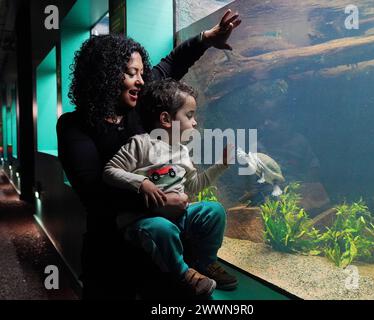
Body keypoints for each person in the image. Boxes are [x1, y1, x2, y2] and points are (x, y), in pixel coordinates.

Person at [56, 10, 241, 299]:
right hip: (112, 249)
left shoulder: (140, 106)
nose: (142, 81)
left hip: (164, 245)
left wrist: (207, 38)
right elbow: (93, 191)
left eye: (142, 73)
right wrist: (159, 201)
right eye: (132, 73)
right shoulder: (74, 126)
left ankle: (201, 264)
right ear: (104, 76)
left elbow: (171, 65)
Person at [103, 79, 237, 297]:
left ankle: (206, 263)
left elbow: (194, 186)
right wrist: (142, 183)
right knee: (161, 229)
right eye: (190, 115)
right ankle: (184, 274)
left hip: (179, 217)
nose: (195, 123)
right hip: (143, 221)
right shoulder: (140, 144)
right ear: (166, 119)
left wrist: (220, 166)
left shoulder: (183, 152)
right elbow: (110, 171)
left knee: (215, 211)